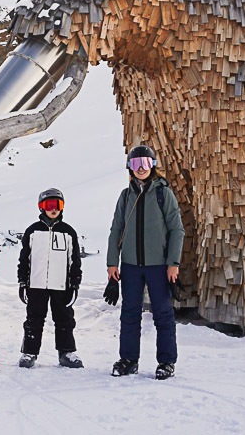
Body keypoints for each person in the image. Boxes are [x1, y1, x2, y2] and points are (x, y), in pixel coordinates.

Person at [105, 145, 184, 380]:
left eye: (146, 164)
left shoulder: (163, 194)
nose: (141, 169)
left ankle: (166, 362)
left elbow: (176, 230)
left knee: (162, 313)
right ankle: (129, 360)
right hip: (130, 265)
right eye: (136, 164)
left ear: (153, 166)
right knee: (129, 314)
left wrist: (173, 263)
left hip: (158, 265)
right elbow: (116, 229)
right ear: (129, 167)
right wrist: (112, 263)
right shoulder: (126, 195)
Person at [17, 188, 84, 369]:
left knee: (64, 318)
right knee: (34, 318)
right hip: (36, 284)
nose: (54, 209)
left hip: (61, 285)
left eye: (58, 205)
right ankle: (29, 352)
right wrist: (23, 282)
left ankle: (66, 352)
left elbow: (74, 260)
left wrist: (74, 283)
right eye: (49, 205)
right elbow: (24, 259)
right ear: (41, 207)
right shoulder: (32, 231)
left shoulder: (68, 232)